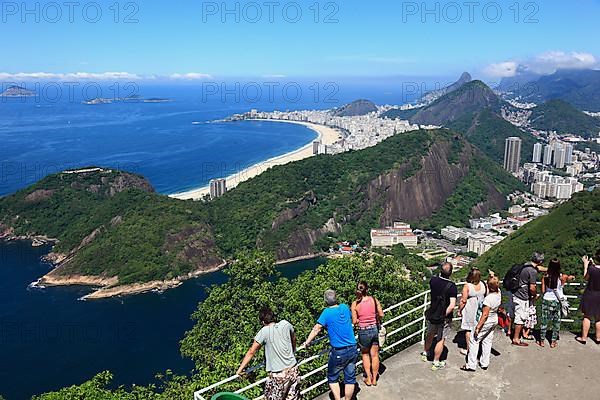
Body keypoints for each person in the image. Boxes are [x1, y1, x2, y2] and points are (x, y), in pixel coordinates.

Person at [304, 290, 357, 400]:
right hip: (352, 348)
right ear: (336, 298)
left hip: (339, 351)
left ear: (325, 301)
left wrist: (307, 342)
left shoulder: (326, 313)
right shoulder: (344, 307)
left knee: (332, 378)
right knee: (350, 379)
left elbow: (316, 329)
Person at [237, 307, 300, 400]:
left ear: (263, 322)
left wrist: (240, 369)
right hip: (294, 369)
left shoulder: (264, 331)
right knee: (293, 398)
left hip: (279, 375)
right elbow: (293, 338)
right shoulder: (286, 324)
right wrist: (293, 350)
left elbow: (251, 351)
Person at [421, 262, 457, 371]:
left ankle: (425, 353)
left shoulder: (433, 281)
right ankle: (436, 361)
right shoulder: (452, 286)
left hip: (433, 313)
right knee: (441, 338)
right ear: (450, 273)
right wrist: (443, 315)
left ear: (441, 271)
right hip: (443, 317)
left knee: (430, 333)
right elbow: (451, 305)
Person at [461, 276, 502, 372]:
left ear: (488, 286)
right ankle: (484, 363)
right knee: (487, 341)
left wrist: (478, 327)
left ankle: (471, 364)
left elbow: (485, 315)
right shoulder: (498, 293)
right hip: (494, 319)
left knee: (474, 340)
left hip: (486, 321)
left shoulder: (488, 299)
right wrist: (492, 276)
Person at [351, 281, 384, 386]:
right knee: (374, 355)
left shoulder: (355, 304)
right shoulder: (374, 300)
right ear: (367, 289)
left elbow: (355, 321)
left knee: (365, 355)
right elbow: (381, 314)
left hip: (363, 331)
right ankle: (375, 379)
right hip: (374, 329)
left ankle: (368, 379)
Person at [538, 259, 575, 348]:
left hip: (547, 300)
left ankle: (542, 340)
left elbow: (543, 290)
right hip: (557, 301)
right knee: (556, 322)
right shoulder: (562, 276)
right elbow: (570, 278)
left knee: (544, 321)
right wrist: (571, 277)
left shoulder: (545, 276)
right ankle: (553, 341)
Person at [511, 252, 544, 347]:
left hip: (516, 293)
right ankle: (516, 339)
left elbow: (539, 268)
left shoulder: (526, 265)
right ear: (540, 261)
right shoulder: (532, 271)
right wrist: (535, 295)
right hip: (522, 296)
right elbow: (532, 288)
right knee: (520, 318)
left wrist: (550, 269)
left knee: (517, 315)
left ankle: (515, 335)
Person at [458, 267, 486, 355]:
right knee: (478, 328)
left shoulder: (467, 286)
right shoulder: (483, 284)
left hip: (470, 309)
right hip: (480, 309)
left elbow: (463, 301)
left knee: (469, 330)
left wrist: (459, 310)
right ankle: (477, 347)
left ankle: (469, 350)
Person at [576, 251, 600, 344]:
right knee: (599, 318)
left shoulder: (591, 269)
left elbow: (586, 278)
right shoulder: (594, 268)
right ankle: (598, 338)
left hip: (590, 294)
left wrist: (586, 265)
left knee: (587, 316)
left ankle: (584, 338)